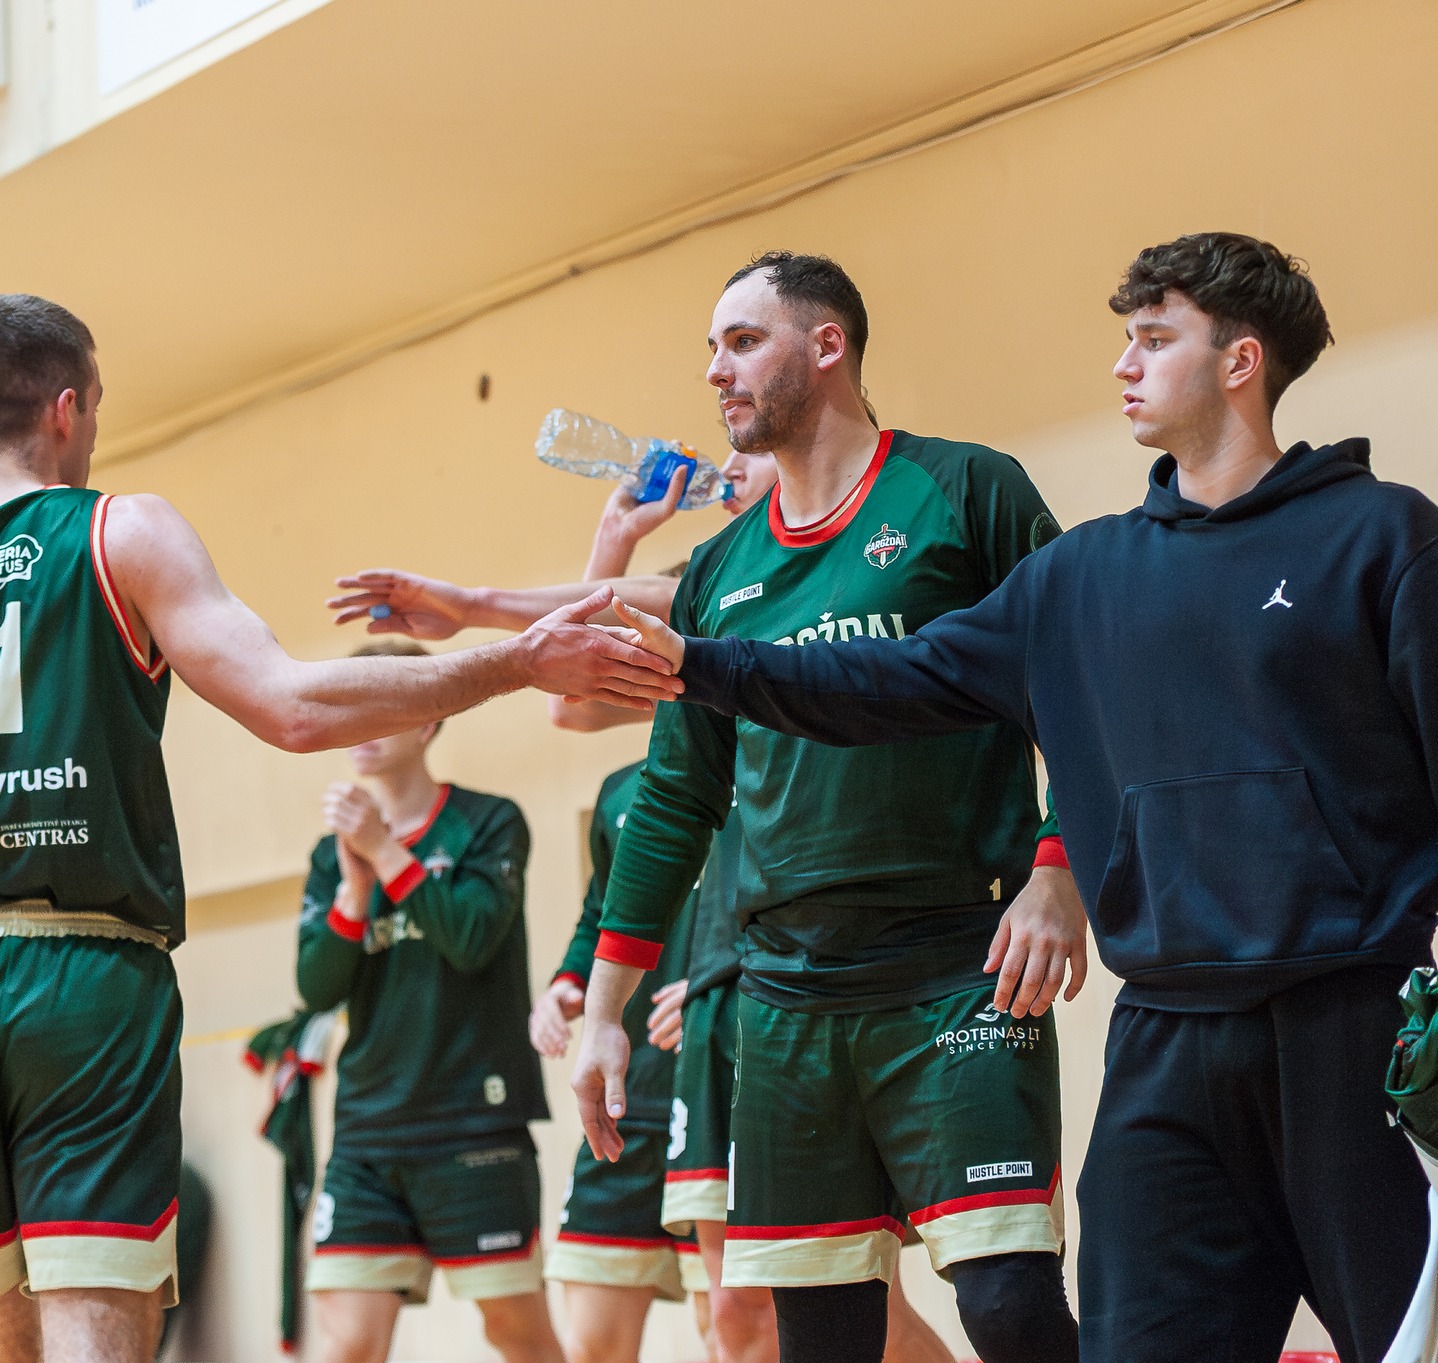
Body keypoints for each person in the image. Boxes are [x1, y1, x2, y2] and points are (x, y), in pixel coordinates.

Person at [0, 294, 678, 1363]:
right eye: (94, 407)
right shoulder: (122, 533)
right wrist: (512, 662)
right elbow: (291, 706)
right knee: (95, 1320)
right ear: (68, 408)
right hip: (85, 978)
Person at [609, 232, 1438, 1362]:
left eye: (1155, 339)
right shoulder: (1079, 577)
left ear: (1240, 361)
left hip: (1353, 1025)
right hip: (1162, 1044)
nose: (1124, 363)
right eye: (1126, 338)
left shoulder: (1378, 533)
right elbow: (890, 680)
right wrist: (698, 664)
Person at [571, 252, 1085, 1363]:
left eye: (742, 341)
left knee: (1006, 1304)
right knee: (819, 1335)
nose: (716, 370)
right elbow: (674, 797)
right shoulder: (717, 572)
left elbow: (1081, 699)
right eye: (710, 349)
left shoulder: (967, 491)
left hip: (961, 964)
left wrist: (1058, 873)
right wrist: (605, 1006)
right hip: (787, 997)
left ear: (827, 344)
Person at [335, 454, 958, 1363]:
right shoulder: (646, 778)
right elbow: (573, 703)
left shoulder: (796, 626)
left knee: (794, 1309)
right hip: (654, 1052)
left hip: (783, 1012)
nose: (728, 463)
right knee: (666, 1324)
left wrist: (470, 604)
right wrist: (614, 537)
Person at [295, 642, 562, 1363]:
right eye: (348, 708)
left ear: (427, 720)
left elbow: (472, 938)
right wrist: (355, 890)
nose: (359, 726)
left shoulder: (489, 821)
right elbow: (316, 989)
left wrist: (386, 854)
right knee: (348, 1344)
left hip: (474, 1124)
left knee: (516, 1332)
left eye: (378, 706)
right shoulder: (330, 854)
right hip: (366, 1136)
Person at [532, 758, 704, 1363]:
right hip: (625, 1098)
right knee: (593, 1344)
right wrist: (569, 981)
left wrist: (726, 977)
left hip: (726, 1095)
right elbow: (603, 913)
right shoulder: (619, 789)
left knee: (739, 1334)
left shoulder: (770, 753)